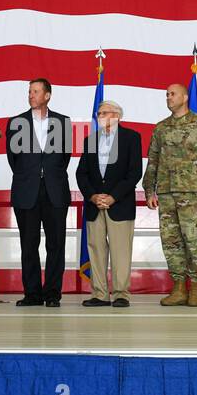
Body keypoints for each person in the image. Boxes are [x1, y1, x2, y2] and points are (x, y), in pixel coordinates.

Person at [143, 84, 197, 308]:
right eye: (166, 94)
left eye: (172, 94)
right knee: (171, 243)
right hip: (166, 194)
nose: (168, 97)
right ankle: (178, 288)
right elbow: (153, 161)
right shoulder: (161, 128)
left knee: (194, 242)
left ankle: (195, 288)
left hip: (193, 194)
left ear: (185, 97)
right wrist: (149, 190)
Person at [7, 78, 73, 308]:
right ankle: (32, 293)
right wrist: (33, 175)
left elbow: (64, 158)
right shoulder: (16, 123)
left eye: (36, 91)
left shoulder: (63, 123)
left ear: (47, 95)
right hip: (27, 191)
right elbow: (14, 160)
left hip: (55, 191)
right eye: (29, 91)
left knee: (56, 245)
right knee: (29, 244)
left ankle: (53, 293)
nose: (31, 95)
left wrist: (47, 175)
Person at [76, 100, 142, 308]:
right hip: (95, 205)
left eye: (106, 113)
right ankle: (100, 293)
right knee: (96, 249)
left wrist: (113, 197)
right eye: (99, 113)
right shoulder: (90, 140)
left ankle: (121, 293)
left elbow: (134, 173)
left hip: (119, 204)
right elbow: (81, 173)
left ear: (117, 116)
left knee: (121, 250)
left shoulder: (132, 138)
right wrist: (93, 196)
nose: (101, 116)